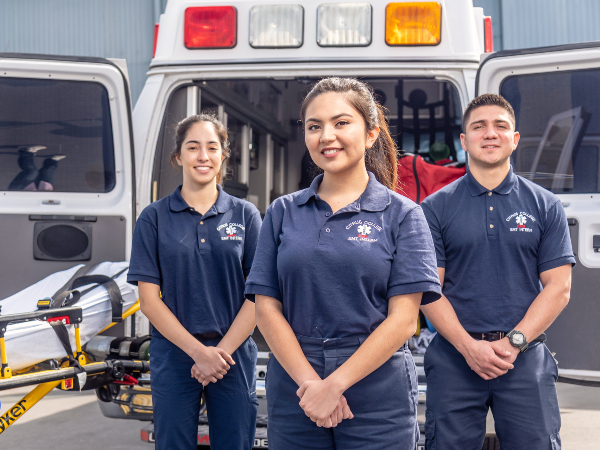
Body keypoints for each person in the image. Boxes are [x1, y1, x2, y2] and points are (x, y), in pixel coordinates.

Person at [245, 77, 441, 449]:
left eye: (341, 123)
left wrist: (334, 386)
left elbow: (403, 320)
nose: (326, 136)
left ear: (370, 134)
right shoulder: (282, 212)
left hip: (377, 386)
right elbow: (266, 308)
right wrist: (311, 386)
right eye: (314, 126)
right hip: (295, 382)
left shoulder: (402, 215)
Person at [420, 94, 575, 450]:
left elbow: (559, 288)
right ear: (464, 141)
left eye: (500, 126)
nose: (490, 133)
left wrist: (514, 343)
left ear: (514, 139)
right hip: (455, 358)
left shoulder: (545, 205)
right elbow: (429, 289)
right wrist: (468, 347)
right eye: (479, 126)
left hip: (524, 357)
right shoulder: (434, 209)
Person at [127, 114, 262, 450]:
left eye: (211, 147)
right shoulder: (154, 217)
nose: (203, 156)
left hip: (232, 355)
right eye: (193, 147)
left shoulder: (246, 215)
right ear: (179, 157)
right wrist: (197, 353)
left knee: (235, 443)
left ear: (223, 156)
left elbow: (259, 295)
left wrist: (219, 353)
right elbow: (149, 300)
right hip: (173, 354)